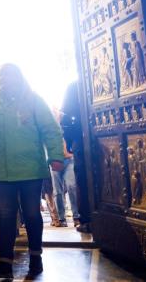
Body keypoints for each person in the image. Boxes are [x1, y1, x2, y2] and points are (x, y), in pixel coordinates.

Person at [0, 64, 64, 278]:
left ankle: (36, 259)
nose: (3, 79)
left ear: (19, 77)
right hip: (1, 172)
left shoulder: (34, 100)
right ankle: (5, 263)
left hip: (30, 170)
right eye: (0, 76)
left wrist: (55, 156)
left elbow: (50, 129)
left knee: (32, 214)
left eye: (8, 75)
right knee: (5, 216)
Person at [61, 81, 91, 233]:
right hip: (85, 137)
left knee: (82, 181)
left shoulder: (74, 86)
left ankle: (86, 220)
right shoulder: (76, 86)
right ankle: (86, 218)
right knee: (82, 180)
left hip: (80, 138)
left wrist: (70, 140)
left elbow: (66, 119)